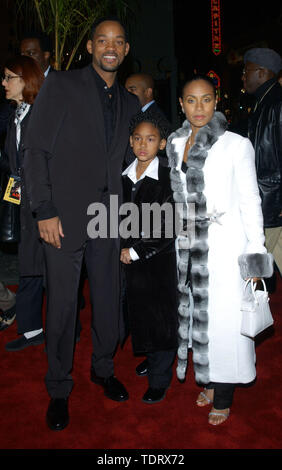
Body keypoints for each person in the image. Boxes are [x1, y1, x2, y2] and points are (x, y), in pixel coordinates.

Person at [23, 17, 140, 431]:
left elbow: (135, 165)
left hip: (109, 218)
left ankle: (103, 368)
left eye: (118, 42)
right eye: (103, 40)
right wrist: (44, 209)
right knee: (62, 308)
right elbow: (34, 150)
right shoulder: (63, 85)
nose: (111, 47)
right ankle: (58, 387)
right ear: (91, 47)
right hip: (64, 218)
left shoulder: (130, 104)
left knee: (109, 299)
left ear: (125, 51)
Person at [166, 75, 273, 425]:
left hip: (227, 248)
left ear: (217, 101)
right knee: (200, 319)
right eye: (191, 100)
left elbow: (250, 200)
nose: (199, 108)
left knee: (225, 323)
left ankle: (224, 395)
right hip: (189, 249)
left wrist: (255, 252)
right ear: (181, 103)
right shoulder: (175, 141)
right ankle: (209, 381)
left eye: (206, 99)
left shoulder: (236, 145)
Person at [120, 111, 178, 404]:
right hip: (128, 263)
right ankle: (150, 357)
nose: (143, 144)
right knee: (139, 314)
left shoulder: (167, 178)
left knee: (160, 319)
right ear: (130, 142)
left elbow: (168, 226)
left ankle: (160, 379)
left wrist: (135, 250)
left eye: (151, 139)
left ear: (162, 143)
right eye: (138, 138)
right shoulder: (123, 175)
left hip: (157, 261)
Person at [0, 56, 45, 348]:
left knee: (49, 269)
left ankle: (67, 328)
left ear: (24, 80)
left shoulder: (41, 115)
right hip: (21, 201)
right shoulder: (16, 113)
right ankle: (31, 330)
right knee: (30, 265)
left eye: (8, 77)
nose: (3, 83)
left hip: (42, 204)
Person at [242, 48, 282, 288]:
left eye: (246, 71)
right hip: (268, 204)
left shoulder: (276, 104)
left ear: (262, 72)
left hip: (273, 206)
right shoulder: (264, 103)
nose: (243, 76)